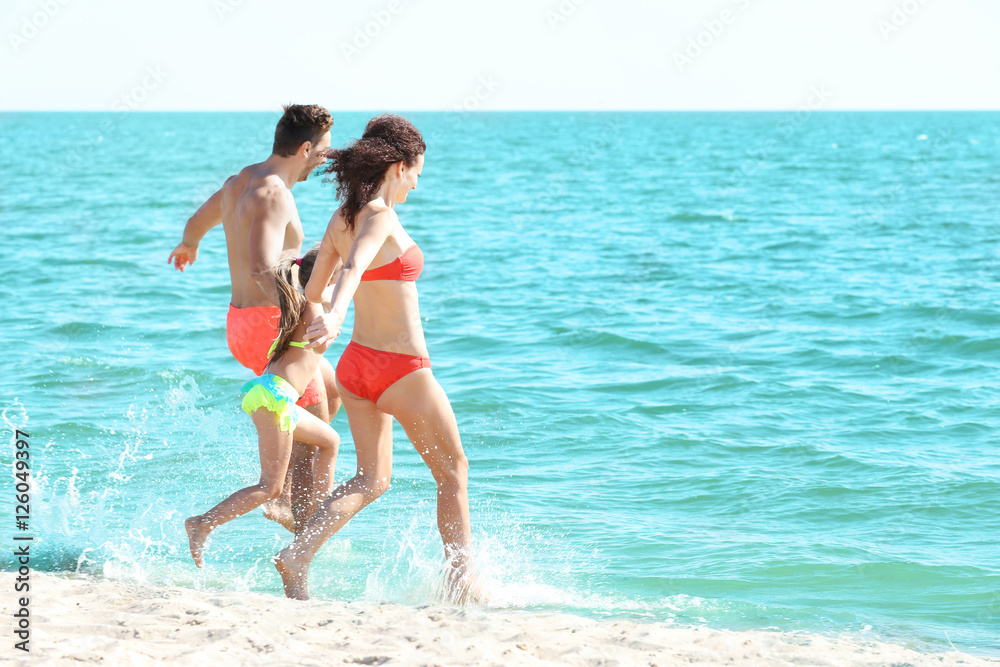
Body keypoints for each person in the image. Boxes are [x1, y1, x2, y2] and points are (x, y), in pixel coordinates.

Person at [272, 114, 483, 603]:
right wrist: (339, 313)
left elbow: (313, 287)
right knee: (454, 472)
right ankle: (461, 582)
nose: (416, 183)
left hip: (357, 368)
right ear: (398, 166)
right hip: (401, 369)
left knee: (372, 478)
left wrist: (318, 324)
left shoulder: (342, 218)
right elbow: (353, 268)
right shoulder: (379, 216)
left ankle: (297, 554)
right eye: (416, 173)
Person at [168, 104, 342, 533]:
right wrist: (312, 308)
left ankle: (283, 497)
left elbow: (196, 222)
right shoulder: (273, 193)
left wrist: (189, 246)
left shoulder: (239, 181)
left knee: (332, 391)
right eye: (323, 154)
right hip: (271, 326)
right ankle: (300, 534)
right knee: (316, 445)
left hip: (242, 323)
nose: (324, 162)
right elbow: (262, 268)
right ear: (304, 148)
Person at [185, 246, 341, 567]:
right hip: (275, 398)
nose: (338, 289)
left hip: (272, 394)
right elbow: (325, 338)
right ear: (321, 281)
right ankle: (202, 524)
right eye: (335, 281)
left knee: (330, 441)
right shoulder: (311, 308)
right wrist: (335, 309)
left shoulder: (302, 304)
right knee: (270, 487)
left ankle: (318, 519)